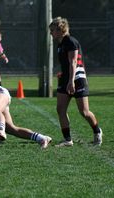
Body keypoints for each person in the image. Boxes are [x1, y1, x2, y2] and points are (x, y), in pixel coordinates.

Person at [49, 17, 103, 147]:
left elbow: (73, 63)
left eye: (52, 30)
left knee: (84, 111)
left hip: (77, 80)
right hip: (65, 79)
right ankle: (68, 140)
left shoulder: (71, 42)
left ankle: (97, 131)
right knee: (60, 109)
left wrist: (71, 81)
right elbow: (66, 64)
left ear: (60, 29)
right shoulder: (60, 45)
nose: (51, 33)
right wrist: (63, 75)